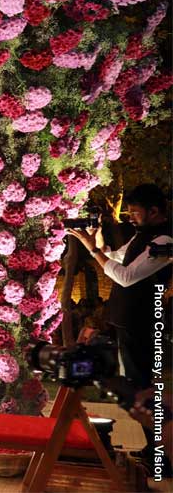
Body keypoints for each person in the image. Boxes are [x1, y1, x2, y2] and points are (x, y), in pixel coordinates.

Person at [67, 183, 172, 473]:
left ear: (154, 211)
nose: (131, 217)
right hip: (129, 322)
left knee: (143, 390)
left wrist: (92, 250)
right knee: (138, 388)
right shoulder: (145, 236)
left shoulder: (164, 241)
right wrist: (97, 242)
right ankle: (155, 452)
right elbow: (116, 258)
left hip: (143, 323)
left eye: (136, 212)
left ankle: (161, 457)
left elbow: (125, 277)